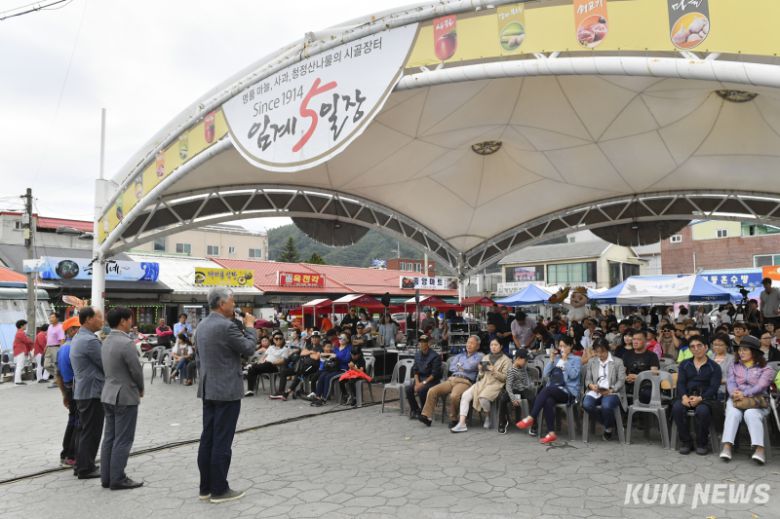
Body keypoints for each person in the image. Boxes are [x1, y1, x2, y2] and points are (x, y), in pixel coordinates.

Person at [196, 287, 256, 503]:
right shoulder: (226, 326)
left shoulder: (201, 326)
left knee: (208, 438)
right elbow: (249, 348)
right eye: (232, 300)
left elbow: (198, 358)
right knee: (222, 440)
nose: (234, 304)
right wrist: (250, 327)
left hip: (208, 388)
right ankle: (220, 489)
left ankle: (205, 488)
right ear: (222, 304)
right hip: (226, 391)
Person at [100, 307, 144, 490]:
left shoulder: (106, 340)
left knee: (109, 437)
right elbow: (136, 370)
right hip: (125, 396)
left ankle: (107, 477)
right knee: (123, 439)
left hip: (108, 394)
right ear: (123, 321)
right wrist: (141, 388)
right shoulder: (126, 343)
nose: (131, 323)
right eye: (129, 319)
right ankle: (118, 478)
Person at [719, 335, 775, 465]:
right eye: (740, 350)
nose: (741, 352)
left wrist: (744, 393)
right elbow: (731, 383)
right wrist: (734, 394)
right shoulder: (734, 365)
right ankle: (727, 447)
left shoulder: (766, 368)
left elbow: (761, 386)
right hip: (736, 399)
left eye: (745, 350)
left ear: (754, 352)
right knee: (733, 413)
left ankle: (759, 449)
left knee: (751, 414)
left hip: (757, 402)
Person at [517, 335, 582, 444]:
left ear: (571, 346)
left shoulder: (576, 359)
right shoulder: (556, 359)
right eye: (560, 346)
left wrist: (565, 361)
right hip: (554, 390)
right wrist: (551, 360)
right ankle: (551, 433)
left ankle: (531, 417)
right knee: (548, 400)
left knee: (547, 390)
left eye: (564, 346)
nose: (562, 349)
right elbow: (545, 375)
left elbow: (574, 375)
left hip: (568, 392)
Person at [69, 307, 106, 480]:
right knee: (91, 431)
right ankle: (86, 468)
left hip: (83, 390)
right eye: (99, 317)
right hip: (92, 391)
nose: (102, 320)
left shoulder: (80, 337)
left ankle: (82, 464)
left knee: (84, 430)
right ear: (88, 319)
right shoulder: (90, 341)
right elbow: (105, 364)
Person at [671, 336, 722, 455]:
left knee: (703, 411)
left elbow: (714, 387)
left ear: (706, 347)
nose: (696, 349)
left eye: (699, 346)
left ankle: (702, 443)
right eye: (692, 347)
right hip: (687, 395)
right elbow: (681, 383)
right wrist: (684, 397)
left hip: (706, 398)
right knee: (677, 408)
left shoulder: (714, 366)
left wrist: (700, 398)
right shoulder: (685, 364)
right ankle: (686, 442)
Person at [418, 336, 483, 427]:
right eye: (468, 342)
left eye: (472, 343)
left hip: (465, 381)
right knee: (432, 390)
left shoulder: (479, 356)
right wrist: (462, 367)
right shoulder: (460, 355)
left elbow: (471, 366)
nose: (469, 345)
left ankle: (454, 419)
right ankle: (427, 416)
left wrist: (461, 366)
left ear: (477, 346)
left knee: (454, 396)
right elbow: (452, 367)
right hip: (452, 379)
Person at [451, 339, 510, 432]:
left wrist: (494, 370)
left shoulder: (506, 360)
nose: (493, 347)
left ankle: (488, 416)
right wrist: (481, 370)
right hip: (483, 382)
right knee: (465, 395)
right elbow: (481, 376)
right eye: (491, 345)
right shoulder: (486, 357)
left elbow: (505, 378)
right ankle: (462, 423)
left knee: (483, 398)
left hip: (496, 384)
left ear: (501, 346)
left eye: (496, 345)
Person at [582, 338, 626, 441]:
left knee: (606, 405)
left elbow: (621, 380)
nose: (600, 355)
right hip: (596, 391)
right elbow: (587, 379)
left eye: (602, 352)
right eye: (597, 352)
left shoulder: (617, 362)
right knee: (586, 404)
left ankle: (608, 429)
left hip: (611, 392)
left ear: (608, 350)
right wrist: (591, 386)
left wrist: (611, 390)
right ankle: (610, 423)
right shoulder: (592, 362)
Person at [497, 349, 536, 434]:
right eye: (525, 360)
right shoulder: (511, 370)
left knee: (533, 398)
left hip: (523, 389)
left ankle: (533, 425)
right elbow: (508, 386)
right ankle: (502, 423)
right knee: (503, 400)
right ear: (518, 358)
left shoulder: (524, 367)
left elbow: (528, 378)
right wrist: (513, 398)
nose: (526, 362)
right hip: (513, 390)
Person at [244, 330, 291, 398]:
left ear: (283, 339)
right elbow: (264, 356)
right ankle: (250, 390)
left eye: (280, 338)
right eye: (276, 338)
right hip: (264, 365)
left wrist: (272, 362)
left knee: (258, 366)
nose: (278, 340)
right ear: (273, 340)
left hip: (274, 366)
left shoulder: (285, 349)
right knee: (251, 369)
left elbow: (282, 361)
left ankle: (250, 366)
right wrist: (260, 361)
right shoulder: (271, 347)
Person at [406, 335, 442, 420]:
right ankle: (415, 410)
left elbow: (434, 374)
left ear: (428, 343)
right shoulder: (417, 354)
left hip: (431, 381)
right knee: (408, 389)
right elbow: (415, 370)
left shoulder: (435, 356)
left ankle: (424, 411)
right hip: (420, 379)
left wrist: (423, 383)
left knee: (422, 390)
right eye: (420, 342)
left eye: (424, 342)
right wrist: (417, 382)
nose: (421, 344)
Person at [311, 333, 352, 406]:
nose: (340, 340)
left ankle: (324, 399)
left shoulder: (349, 348)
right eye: (340, 338)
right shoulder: (336, 348)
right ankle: (317, 397)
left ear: (347, 340)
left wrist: (336, 356)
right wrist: (328, 356)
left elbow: (347, 360)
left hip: (343, 370)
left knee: (328, 378)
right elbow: (327, 354)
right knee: (322, 376)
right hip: (334, 368)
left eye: (343, 338)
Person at [622, 329, 661, 404]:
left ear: (646, 341)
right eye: (634, 339)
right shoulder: (627, 355)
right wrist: (626, 378)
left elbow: (654, 374)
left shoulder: (652, 356)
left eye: (639, 339)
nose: (635, 342)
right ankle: (625, 413)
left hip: (645, 384)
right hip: (629, 383)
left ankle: (643, 414)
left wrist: (638, 377)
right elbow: (622, 371)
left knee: (646, 393)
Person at [708, 333, 733, 400]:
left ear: (727, 345)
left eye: (721, 345)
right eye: (715, 345)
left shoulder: (732, 359)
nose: (717, 347)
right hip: (708, 389)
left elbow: (733, 378)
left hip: (724, 390)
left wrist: (717, 381)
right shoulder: (708, 358)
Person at [44, 312, 65, 388]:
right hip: (49, 347)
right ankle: (60, 377)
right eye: (50, 317)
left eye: (52, 317)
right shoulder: (50, 327)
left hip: (56, 347)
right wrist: (46, 347)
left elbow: (62, 339)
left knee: (56, 365)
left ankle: (56, 381)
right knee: (46, 365)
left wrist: (61, 350)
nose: (50, 319)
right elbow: (48, 338)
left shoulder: (60, 327)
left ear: (57, 318)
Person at [12, 319, 33, 385]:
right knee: (20, 366)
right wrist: (31, 340)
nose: (26, 326)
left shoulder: (19, 332)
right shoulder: (21, 333)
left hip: (19, 351)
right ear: (21, 326)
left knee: (19, 365)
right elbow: (27, 341)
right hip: (20, 351)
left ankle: (18, 380)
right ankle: (18, 381)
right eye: (25, 325)